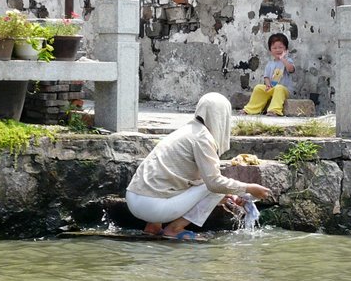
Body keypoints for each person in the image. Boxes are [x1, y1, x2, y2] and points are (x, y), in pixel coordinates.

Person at [125, 92, 272, 240]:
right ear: (222, 116)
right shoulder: (203, 139)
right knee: (214, 186)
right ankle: (175, 229)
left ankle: (153, 227)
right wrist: (248, 188)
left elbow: (194, 182)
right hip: (152, 207)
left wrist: (232, 195)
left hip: (133, 199)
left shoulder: (186, 131)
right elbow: (214, 184)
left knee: (180, 181)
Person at [242, 32, 295, 116]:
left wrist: (283, 59)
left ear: (286, 49)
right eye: (274, 48)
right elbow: (266, 77)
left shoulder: (288, 61)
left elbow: (291, 69)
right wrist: (268, 85)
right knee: (258, 88)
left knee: (279, 88)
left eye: (280, 47)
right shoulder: (269, 64)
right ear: (270, 50)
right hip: (272, 88)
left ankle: (274, 111)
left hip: (284, 90)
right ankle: (250, 109)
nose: (278, 50)